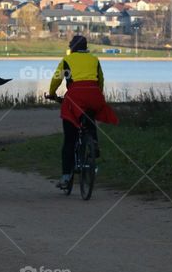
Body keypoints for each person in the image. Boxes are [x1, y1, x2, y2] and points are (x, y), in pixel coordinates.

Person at [47, 35, 118, 189]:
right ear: (86, 47)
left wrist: (51, 93)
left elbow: (56, 79)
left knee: (69, 140)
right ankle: (94, 143)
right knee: (90, 118)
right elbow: (101, 80)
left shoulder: (67, 60)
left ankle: (66, 177)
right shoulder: (94, 59)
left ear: (72, 47)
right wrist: (97, 93)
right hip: (94, 94)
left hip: (76, 96)